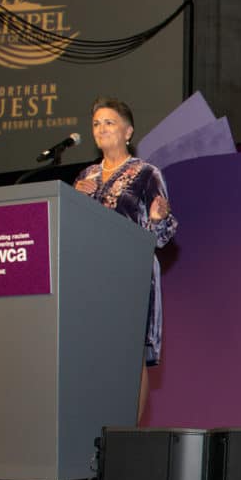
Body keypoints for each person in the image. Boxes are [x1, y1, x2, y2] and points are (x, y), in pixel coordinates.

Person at [73, 97, 178, 422]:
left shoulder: (147, 174)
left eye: (109, 122)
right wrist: (73, 200)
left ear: (128, 131)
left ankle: (128, 433)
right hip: (91, 278)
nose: (101, 129)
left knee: (131, 355)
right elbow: (74, 232)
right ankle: (93, 428)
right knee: (95, 354)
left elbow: (162, 236)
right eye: (96, 124)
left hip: (131, 277)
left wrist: (159, 218)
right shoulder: (86, 177)